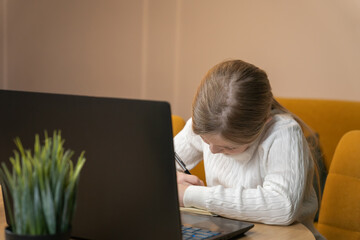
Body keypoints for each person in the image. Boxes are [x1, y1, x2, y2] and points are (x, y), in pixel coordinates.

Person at [174, 59, 325, 240]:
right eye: (205, 141)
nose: (212, 150)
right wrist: (172, 178)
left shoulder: (283, 133)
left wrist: (190, 195)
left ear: (263, 124)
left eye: (229, 147)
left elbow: (282, 206)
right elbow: (151, 169)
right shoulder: (208, 126)